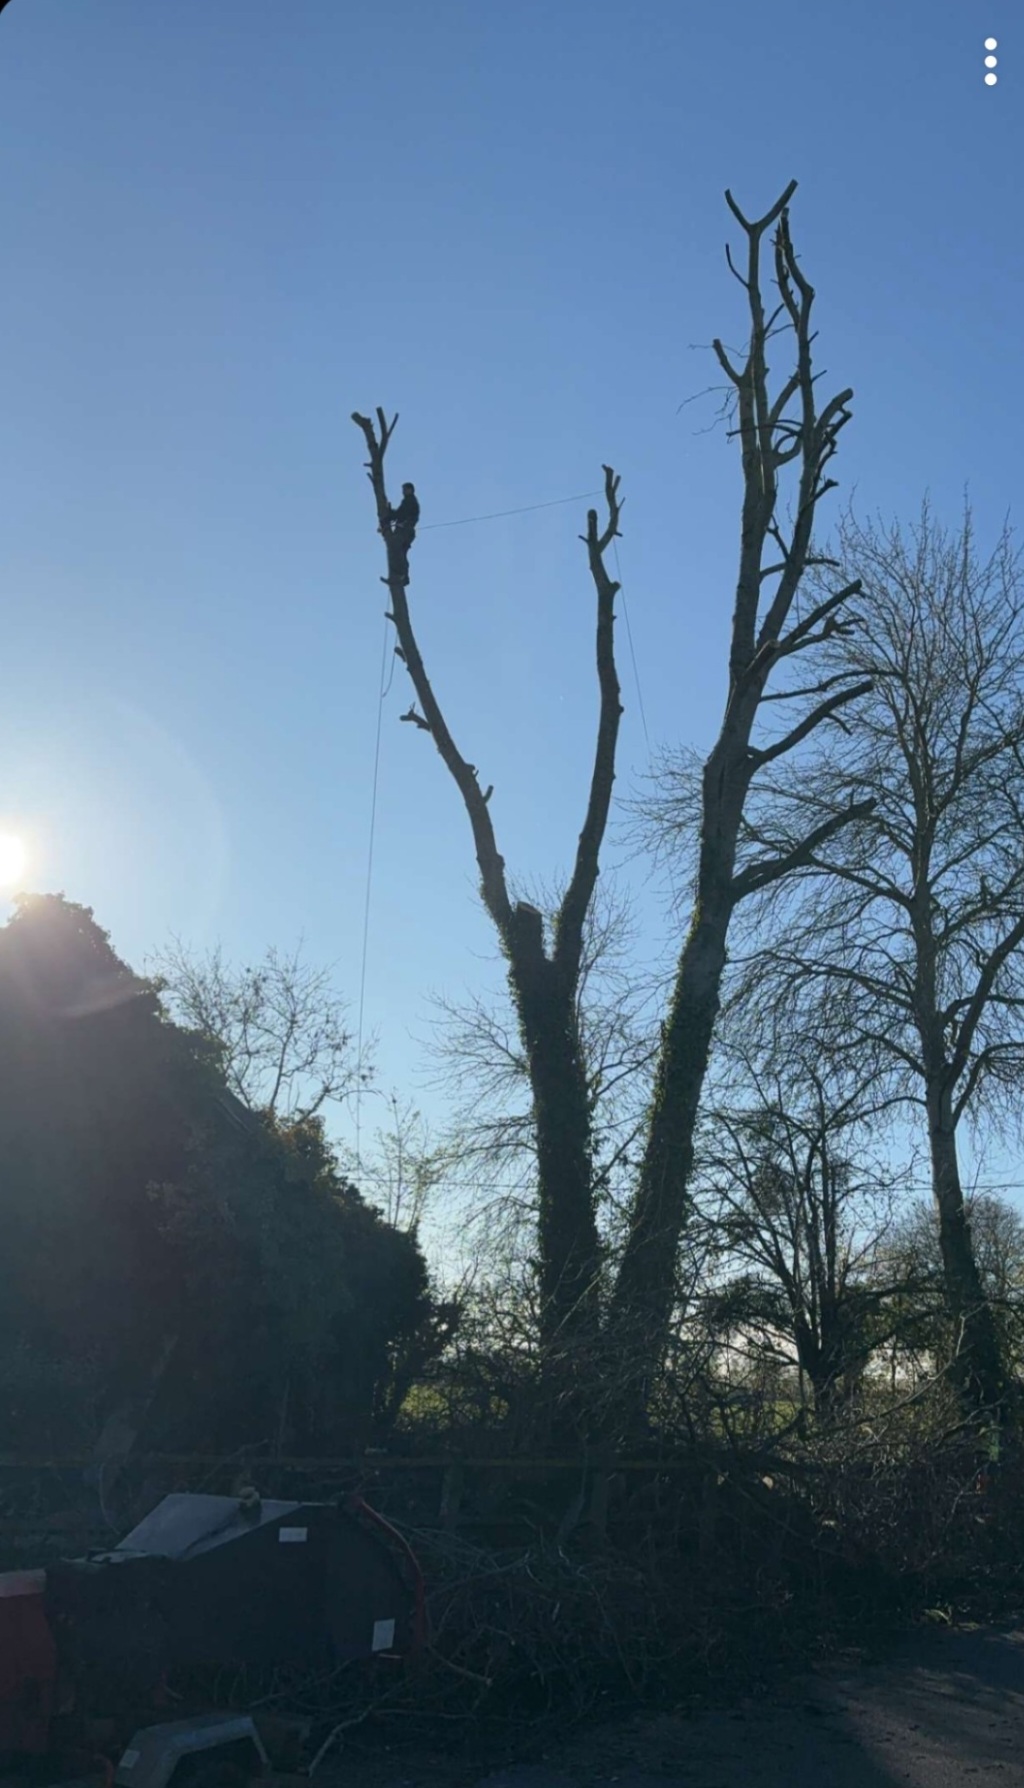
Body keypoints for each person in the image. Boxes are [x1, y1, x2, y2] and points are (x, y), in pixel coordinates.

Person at [387, 482, 420, 584]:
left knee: (396, 549)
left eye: (405, 490)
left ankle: (401, 574)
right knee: (401, 553)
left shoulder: (410, 501)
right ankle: (403, 576)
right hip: (406, 531)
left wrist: (389, 515)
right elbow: (399, 514)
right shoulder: (409, 501)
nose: (403, 492)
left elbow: (400, 514)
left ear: (410, 490)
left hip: (405, 531)